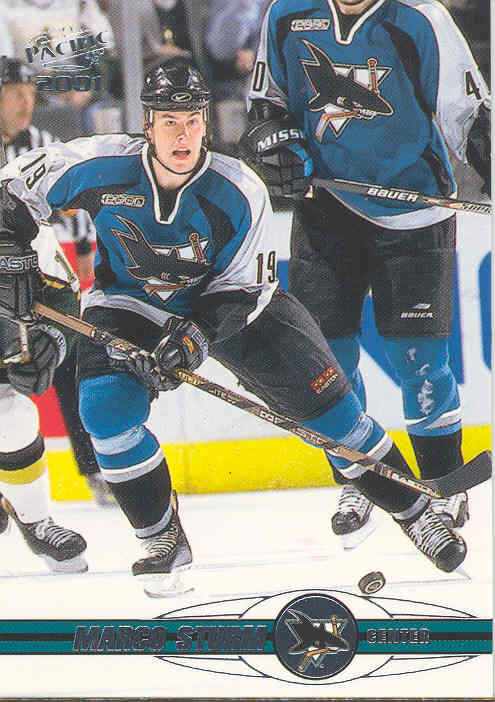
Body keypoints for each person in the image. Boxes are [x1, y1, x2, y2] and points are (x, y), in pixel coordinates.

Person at [0, 60, 467, 597]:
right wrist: (11, 251)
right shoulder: (97, 163)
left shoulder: (239, 188)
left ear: (205, 123)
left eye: (192, 120)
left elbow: (241, 292)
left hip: (238, 309)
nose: (182, 134)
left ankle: (416, 513)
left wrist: (194, 338)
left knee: (337, 420)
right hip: (130, 303)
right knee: (105, 413)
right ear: (147, 125)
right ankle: (161, 538)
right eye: (169, 121)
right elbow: (10, 192)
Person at [241, 0, 490, 548]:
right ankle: (361, 478)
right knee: (328, 361)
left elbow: (469, 114)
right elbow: (267, 104)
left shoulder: (421, 17)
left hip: (415, 209)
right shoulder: (287, 13)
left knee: (420, 360)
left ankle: (444, 483)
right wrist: (273, 141)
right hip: (325, 207)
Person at [0, 58, 112, 506]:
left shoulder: (43, 146)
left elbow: (77, 201)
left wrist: (84, 257)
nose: (26, 103)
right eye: (15, 94)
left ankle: (94, 468)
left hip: (40, 275)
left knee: (66, 359)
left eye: (31, 94)